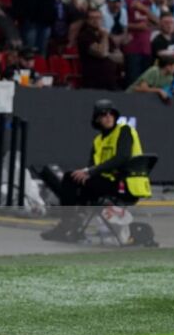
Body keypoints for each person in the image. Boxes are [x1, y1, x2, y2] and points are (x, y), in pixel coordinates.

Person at [41, 99, 152, 242]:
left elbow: (122, 158)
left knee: (72, 180)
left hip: (125, 184)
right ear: (97, 119)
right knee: (74, 179)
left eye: (111, 113)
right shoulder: (98, 141)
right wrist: (86, 173)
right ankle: (71, 225)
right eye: (104, 114)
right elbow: (92, 166)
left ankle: (68, 226)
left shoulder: (124, 130)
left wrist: (90, 172)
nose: (108, 117)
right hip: (108, 182)